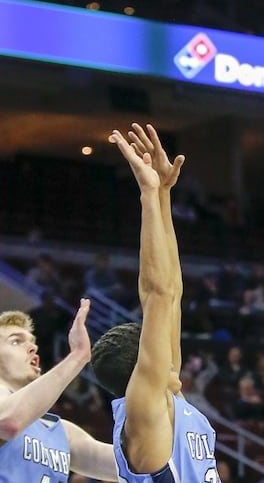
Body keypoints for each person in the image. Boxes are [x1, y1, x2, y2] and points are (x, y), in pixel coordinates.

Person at [91, 123, 219, 481]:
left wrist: (163, 195)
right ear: (144, 368)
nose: (164, 340)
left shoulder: (167, 394)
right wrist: (148, 195)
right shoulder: (144, 410)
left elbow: (172, 291)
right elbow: (156, 294)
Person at [0, 299, 117, 482]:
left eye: (32, 341)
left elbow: (129, 468)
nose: (33, 347)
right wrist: (77, 357)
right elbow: (8, 422)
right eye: (15, 342)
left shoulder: (62, 432)